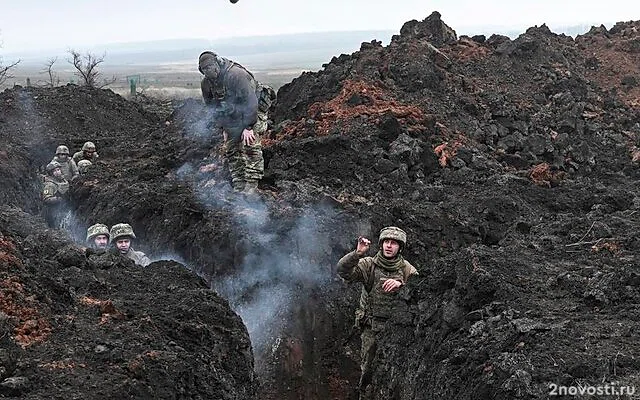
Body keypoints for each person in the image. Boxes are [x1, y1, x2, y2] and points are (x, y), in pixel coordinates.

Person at [337, 226, 418, 395]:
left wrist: (402, 285)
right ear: (381, 245)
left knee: (394, 375)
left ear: (400, 247)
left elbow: (422, 292)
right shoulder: (369, 265)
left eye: (394, 243)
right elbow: (343, 271)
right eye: (386, 242)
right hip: (371, 329)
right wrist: (357, 254)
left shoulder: (407, 269)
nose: (389, 246)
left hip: (397, 332)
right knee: (367, 371)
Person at [198, 50, 259, 193]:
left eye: (210, 67)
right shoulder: (206, 84)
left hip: (254, 107)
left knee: (250, 143)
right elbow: (214, 108)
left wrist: (249, 126)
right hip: (233, 113)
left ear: (218, 63)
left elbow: (251, 102)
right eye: (204, 69)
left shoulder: (236, 75)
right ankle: (239, 183)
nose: (208, 71)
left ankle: (251, 185)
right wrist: (224, 128)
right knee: (231, 147)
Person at [41, 161, 70, 229]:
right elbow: (46, 199)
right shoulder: (50, 185)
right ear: (51, 173)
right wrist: (59, 199)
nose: (57, 172)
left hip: (63, 209)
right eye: (54, 171)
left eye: (58, 170)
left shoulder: (64, 181)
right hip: (52, 211)